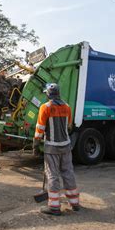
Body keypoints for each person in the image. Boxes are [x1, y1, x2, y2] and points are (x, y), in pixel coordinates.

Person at [34, 83, 80, 216]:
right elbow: (69, 126)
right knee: (68, 173)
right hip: (66, 146)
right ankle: (74, 203)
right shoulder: (67, 107)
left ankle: (54, 207)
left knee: (52, 175)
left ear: (48, 94)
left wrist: (36, 144)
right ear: (58, 93)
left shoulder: (45, 107)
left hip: (52, 148)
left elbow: (40, 128)